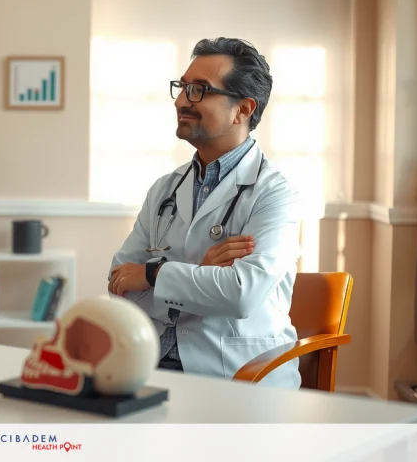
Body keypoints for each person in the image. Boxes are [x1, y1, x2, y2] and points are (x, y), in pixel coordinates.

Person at [107, 38, 303, 389]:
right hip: (149, 370)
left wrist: (154, 276)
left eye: (199, 90)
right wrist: (200, 277)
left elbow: (240, 294)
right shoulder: (164, 189)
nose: (182, 100)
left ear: (242, 109)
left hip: (234, 375)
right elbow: (119, 283)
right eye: (182, 87)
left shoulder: (276, 194)